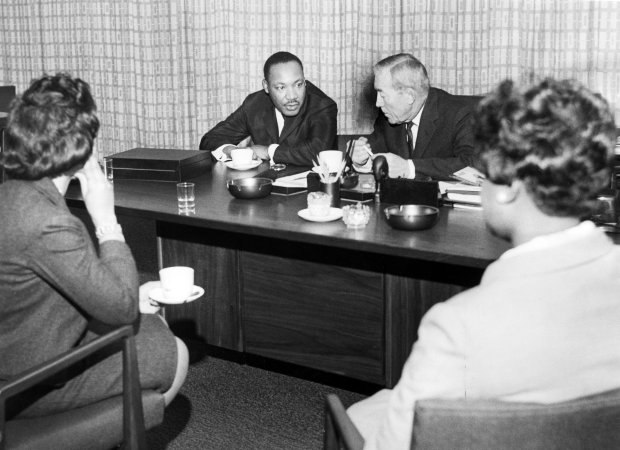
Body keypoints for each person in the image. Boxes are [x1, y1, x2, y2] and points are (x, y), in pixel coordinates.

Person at [347, 77, 620, 449]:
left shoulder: (458, 325)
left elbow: (393, 444)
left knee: (355, 416)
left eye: (485, 172)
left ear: (507, 188)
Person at [0, 73, 188, 418]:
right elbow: (121, 310)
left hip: (17, 343)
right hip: (23, 385)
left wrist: (130, 293)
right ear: (81, 148)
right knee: (172, 350)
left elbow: (48, 283)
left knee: (148, 321)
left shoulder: (12, 195)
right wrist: (106, 219)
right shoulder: (49, 223)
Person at [199, 51, 337, 167]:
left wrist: (267, 151)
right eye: (281, 87)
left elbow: (319, 153)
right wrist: (231, 150)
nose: (292, 96)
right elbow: (210, 139)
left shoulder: (322, 105)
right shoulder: (255, 104)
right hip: (264, 188)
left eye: (298, 84)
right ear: (266, 86)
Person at [351, 53, 476, 180]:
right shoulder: (390, 115)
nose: (378, 103)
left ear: (409, 96)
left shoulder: (459, 114)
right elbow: (376, 153)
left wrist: (409, 168)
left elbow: (471, 165)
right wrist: (362, 161)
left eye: (383, 95)